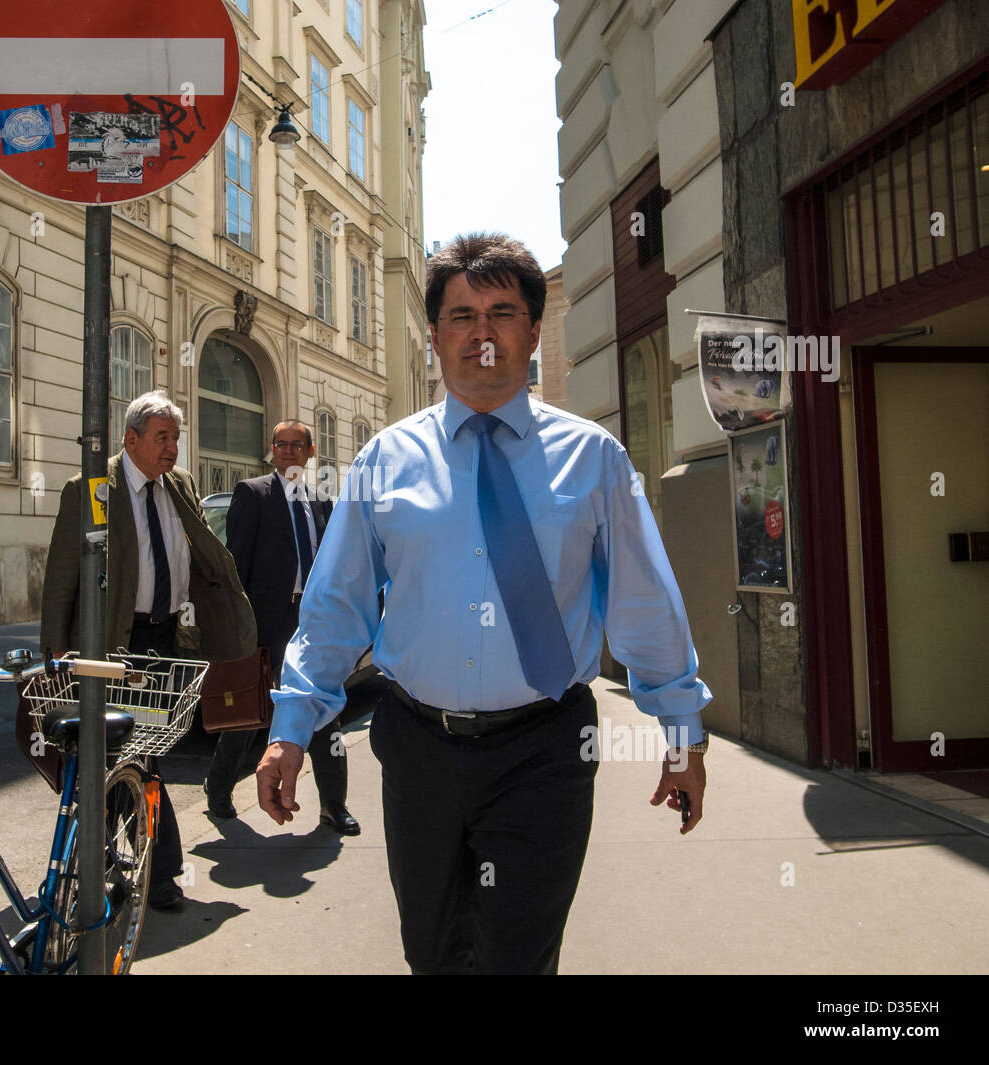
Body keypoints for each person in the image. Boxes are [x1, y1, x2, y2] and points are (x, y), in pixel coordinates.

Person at [256, 232, 711, 973]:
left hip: (544, 751)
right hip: (417, 749)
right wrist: (291, 726)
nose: (482, 332)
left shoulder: (594, 460)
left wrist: (682, 728)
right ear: (435, 336)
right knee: (431, 953)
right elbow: (336, 605)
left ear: (533, 330)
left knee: (517, 958)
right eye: (462, 315)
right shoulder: (384, 461)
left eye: (502, 311)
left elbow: (645, 604)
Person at [39, 389, 257, 910]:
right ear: (130, 439)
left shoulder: (176, 484)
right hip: (117, 641)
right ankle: (156, 872)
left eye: (177, 438)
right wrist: (52, 656)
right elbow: (60, 579)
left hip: (166, 639)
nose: (173, 448)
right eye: (163, 438)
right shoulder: (91, 490)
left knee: (138, 757)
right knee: (133, 758)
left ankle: (114, 865)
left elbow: (198, 551)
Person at [203, 420, 359, 835]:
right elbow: (235, 564)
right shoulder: (253, 494)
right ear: (272, 451)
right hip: (265, 621)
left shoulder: (323, 503)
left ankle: (333, 806)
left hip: (311, 621)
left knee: (323, 708)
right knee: (249, 714)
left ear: (310, 453)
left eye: (296, 445)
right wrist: (241, 626)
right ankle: (217, 790)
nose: (288, 452)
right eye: (281, 445)